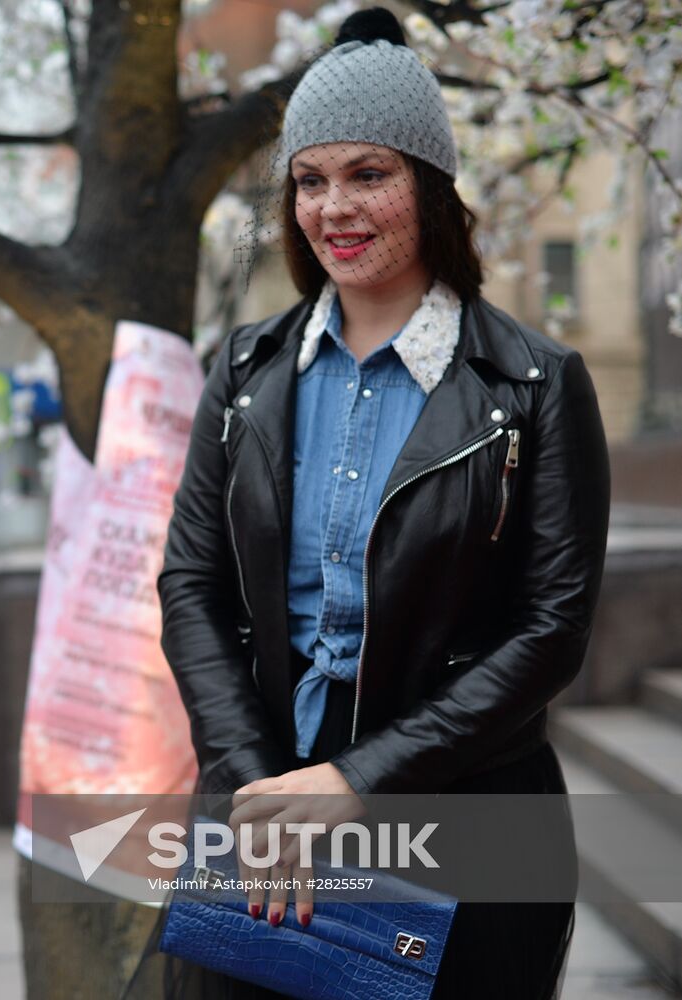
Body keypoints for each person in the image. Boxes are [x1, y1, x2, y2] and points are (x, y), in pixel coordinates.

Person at [149, 8, 610, 999]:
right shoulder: (243, 372)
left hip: (462, 819)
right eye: (309, 181)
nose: (333, 209)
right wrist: (255, 785)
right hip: (262, 812)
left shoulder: (532, 383)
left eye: (369, 174)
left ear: (428, 185)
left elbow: (552, 628)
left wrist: (358, 782)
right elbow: (191, 585)